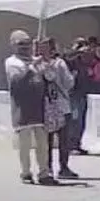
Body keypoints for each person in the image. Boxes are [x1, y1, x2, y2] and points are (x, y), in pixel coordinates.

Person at [5, 30, 55, 184]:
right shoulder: (12, 62)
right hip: (22, 108)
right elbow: (16, 81)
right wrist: (30, 66)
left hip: (39, 108)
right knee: (25, 145)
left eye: (27, 43)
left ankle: (44, 173)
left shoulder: (36, 60)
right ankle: (26, 172)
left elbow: (51, 77)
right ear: (13, 45)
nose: (25, 47)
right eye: (21, 44)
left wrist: (46, 63)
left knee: (42, 144)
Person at [36, 38, 78, 179]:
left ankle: (63, 167)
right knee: (46, 140)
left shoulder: (59, 64)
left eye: (45, 47)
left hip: (59, 105)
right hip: (44, 106)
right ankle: (47, 167)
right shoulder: (37, 64)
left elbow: (68, 83)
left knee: (63, 139)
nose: (42, 50)